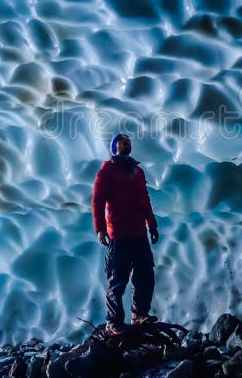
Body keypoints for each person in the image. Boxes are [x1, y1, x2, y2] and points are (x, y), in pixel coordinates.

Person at [92, 133, 160, 335]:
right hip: (118, 234)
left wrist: (152, 225)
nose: (127, 142)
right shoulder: (107, 170)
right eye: (121, 140)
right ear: (114, 147)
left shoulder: (138, 172)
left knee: (145, 275)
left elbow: (145, 200)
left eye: (128, 140)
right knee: (117, 280)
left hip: (139, 232)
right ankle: (113, 322)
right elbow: (97, 200)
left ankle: (139, 314)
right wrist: (100, 228)